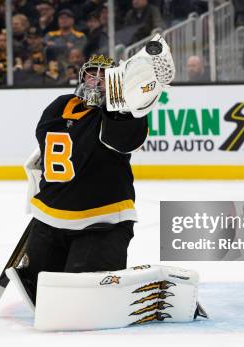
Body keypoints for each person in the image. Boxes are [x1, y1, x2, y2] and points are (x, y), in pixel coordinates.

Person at [9, 40, 173, 303]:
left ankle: (148, 287)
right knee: (40, 294)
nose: (96, 80)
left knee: (84, 297)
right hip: (50, 221)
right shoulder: (58, 106)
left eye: (104, 76)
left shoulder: (120, 113)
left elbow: (124, 140)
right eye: (91, 73)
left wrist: (125, 107)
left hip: (103, 223)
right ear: (81, 75)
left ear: (115, 82)